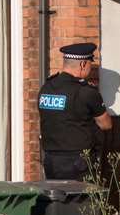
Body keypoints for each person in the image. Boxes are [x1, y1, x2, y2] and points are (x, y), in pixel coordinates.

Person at [37, 40, 112, 180]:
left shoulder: (46, 88)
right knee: (82, 201)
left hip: (51, 161)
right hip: (79, 162)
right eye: (90, 63)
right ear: (83, 64)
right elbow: (106, 124)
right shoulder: (86, 92)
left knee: (56, 200)